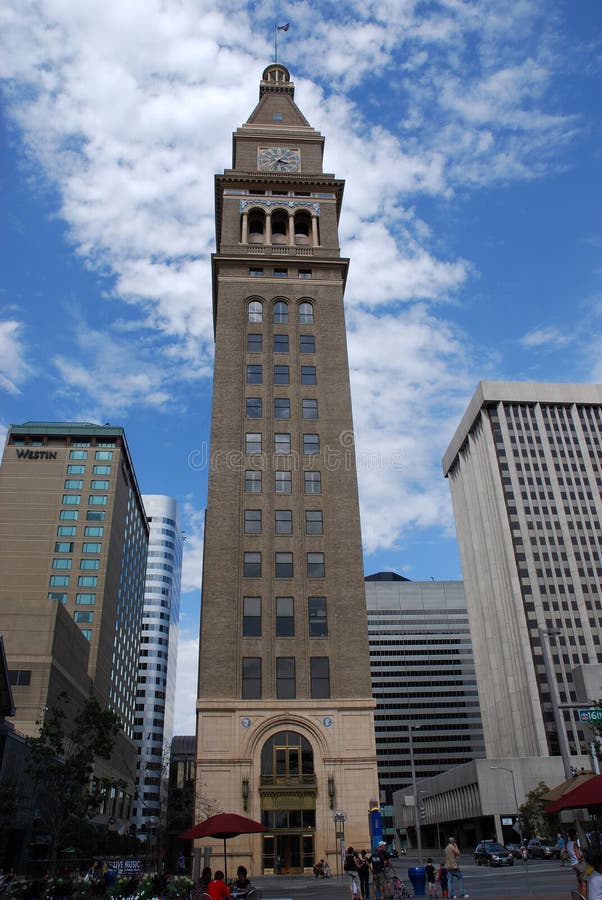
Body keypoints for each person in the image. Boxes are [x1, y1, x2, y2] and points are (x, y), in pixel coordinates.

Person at [567, 828, 586, 896]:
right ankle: (584, 898)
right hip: (579, 864)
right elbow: (578, 857)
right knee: (584, 882)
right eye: (576, 834)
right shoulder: (575, 844)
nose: (577, 835)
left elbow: (569, 855)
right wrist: (584, 853)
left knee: (579, 882)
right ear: (574, 835)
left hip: (573, 864)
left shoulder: (568, 843)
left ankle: (580, 897)